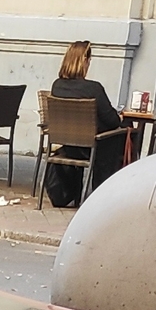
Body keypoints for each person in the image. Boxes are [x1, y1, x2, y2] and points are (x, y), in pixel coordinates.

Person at [42, 40, 122, 208]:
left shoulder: (57, 86)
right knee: (124, 135)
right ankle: (109, 193)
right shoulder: (93, 88)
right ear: (84, 61)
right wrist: (120, 119)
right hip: (92, 148)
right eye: (89, 60)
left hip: (68, 145)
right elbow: (112, 120)